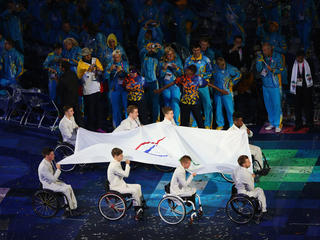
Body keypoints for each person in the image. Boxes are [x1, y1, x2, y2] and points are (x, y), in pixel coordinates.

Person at [155, 65, 227, 128]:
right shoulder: (183, 78)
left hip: (194, 103)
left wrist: (221, 90)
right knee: (184, 122)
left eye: (188, 70)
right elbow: (172, 83)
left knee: (199, 121)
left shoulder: (198, 79)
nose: (186, 71)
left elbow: (209, 84)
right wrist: (160, 89)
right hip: (184, 103)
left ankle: (203, 134)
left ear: (192, 72)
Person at [107, 148, 145, 220]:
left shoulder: (116, 162)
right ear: (115, 156)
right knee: (134, 191)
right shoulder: (114, 166)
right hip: (117, 188)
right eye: (121, 155)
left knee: (138, 186)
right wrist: (127, 165)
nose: (122, 156)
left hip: (121, 184)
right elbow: (126, 175)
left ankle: (140, 204)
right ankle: (137, 209)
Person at [38, 147, 78, 216]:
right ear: (47, 156)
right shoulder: (43, 167)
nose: (54, 156)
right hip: (49, 185)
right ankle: (69, 209)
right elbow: (53, 179)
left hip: (52, 182)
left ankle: (73, 207)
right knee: (66, 189)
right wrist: (58, 169)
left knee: (69, 187)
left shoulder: (49, 161)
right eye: (52, 154)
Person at [256, 42, 283, 133]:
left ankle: (278, 124)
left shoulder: (277, 56)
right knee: (268, 105)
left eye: (264, 50)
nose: (263, 52)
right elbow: (259, 70)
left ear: (269, 49)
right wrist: (259, 62)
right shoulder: (262, 58)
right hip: (265, 85)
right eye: (262, 50)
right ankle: (271, 122)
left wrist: (273, 70)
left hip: (275, 85)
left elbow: (282, 68)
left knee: (276, 105)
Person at [184, 43, 213, 128]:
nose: (196, 52)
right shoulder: (188, 60)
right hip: (192, 86)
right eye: (194, 50)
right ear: (192, 50)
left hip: (203, 86)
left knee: (207, 104)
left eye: (198, 50)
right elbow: (185, 71)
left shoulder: (206, 60)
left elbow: (210, 72)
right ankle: (194, 124)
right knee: (193, 104)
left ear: (200, 50)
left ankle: (207, 124)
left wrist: (202, 77)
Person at [232, 155, 269, 219]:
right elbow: (251, 188)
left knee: (258, 190)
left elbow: (232, 176)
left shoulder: (237, 168)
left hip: (238, 190)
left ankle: (260, 207)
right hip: (244, 194)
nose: (250, 163)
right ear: (243, 164)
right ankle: (263, 210)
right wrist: (252, 178)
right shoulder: (246, 175)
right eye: (248, 162)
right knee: (259, 191)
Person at [77, 47, 104, 131]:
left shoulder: (95, 60)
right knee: (90, 110)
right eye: (86, 55)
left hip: (97, 88)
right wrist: (88, 70)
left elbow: (101, 70)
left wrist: (97, 69)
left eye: (89, 54)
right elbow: (79, 75)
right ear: (83, 56)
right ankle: (90, 128)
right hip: (88, 91)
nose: (88, 56)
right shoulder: (80, 64)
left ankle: (99, 127)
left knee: (98, 109)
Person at [213, 57, 241, 130]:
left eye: (223, 64)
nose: (222, 66)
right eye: (220, 65)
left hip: (227, 92)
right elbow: (210, 77)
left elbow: (239, 74)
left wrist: (232, 82)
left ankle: (232, 125)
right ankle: (220, 124)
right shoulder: (214, 68)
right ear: (217, 64)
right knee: (218, 109)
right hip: (217, 92)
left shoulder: (230, 68)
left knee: (230, 109)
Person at [290, 50, 314, 130]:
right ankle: (298, 124)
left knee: (308, 106)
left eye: (301, 57)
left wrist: (310, 86)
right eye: (298, 57)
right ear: (296, 57)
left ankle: (310, 123)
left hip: (306, 88)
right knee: (297, 107)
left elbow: (313, 74)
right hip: (297, 89)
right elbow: (290, 76)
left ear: (303, 57)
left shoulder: (309, 63)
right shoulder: (292, 65)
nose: (299, 59)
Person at [158, 46, 183, 124]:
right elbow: (159, 75)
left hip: (175, 87)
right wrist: (164, 69)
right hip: (166, 87)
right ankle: (168, 122)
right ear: (166, 55)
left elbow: (182, 74)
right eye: (168, 54)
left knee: (175, 104)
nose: (170, 56)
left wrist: (177, 68)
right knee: (167, 104)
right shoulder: (162, 62)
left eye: (171, 54)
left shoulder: (177, 61)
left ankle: (176, 122)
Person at [105, 49, 129, 128]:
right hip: (114, 90)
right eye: (115, 57)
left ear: (120, 57)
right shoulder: (110, 65)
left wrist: (122, 70)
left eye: (118, 57)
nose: (116, 59)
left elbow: (128, 75)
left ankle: (128, 126)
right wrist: (109, 70)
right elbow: (105, 76)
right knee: (116, 109)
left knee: (126, 108)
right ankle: (117, 127)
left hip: (124, 89)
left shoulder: (125, 64)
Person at [58, 61, 82, 125]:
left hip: (66, 100)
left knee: (67, 117)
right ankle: (80, 129)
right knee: (77, 115)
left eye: (60, 66)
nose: (59, 67)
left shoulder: (63, 77)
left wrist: (57, 81)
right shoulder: (74, 74)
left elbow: (60, 89)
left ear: (63, 68)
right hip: (75, 98)